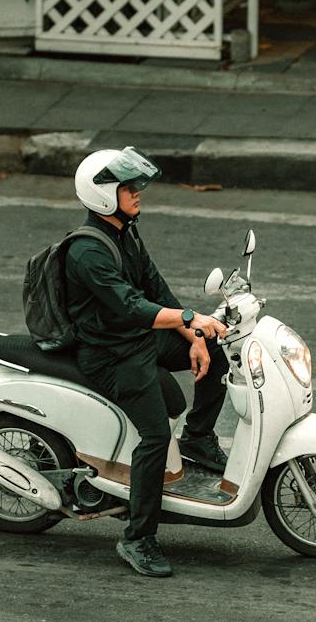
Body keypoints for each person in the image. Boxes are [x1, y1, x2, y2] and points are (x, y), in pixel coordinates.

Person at [65, 147, 229, 579]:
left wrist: (194, 335)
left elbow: (155, 288)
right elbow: (133, 306)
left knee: (216, 351)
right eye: (128, 187)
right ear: (103, 195)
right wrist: (190, 318)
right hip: (111, 355)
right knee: (155, 435)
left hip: (139, 339)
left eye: (137, 185)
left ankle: (198, 437)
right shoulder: (88, 252)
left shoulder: (126, 232)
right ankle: (137, 537)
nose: (138, 193)